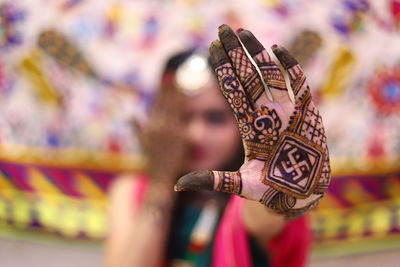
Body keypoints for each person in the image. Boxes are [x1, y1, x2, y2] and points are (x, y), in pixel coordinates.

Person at [105, 24, 330, 267]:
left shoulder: (254, 194)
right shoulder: (132, 191)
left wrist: (278, 179)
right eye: (182, 118)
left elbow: (265, 217)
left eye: (215, 118)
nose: (196, 135)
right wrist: (160, 184)